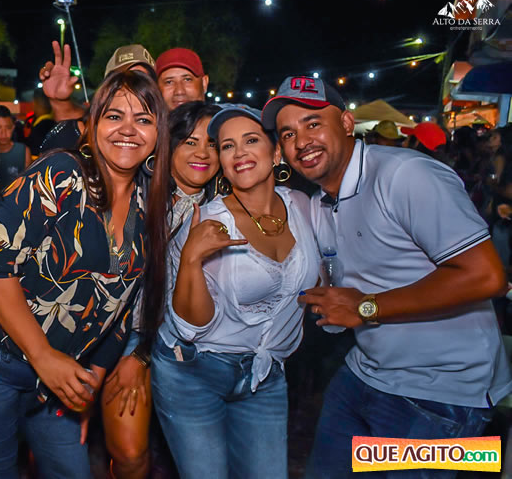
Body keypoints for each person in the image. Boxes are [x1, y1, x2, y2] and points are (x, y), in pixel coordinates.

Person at [261, 75, 512, 478]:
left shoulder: (405, 175)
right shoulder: (321, 204)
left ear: (346, 123)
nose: (301, 141)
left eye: (313, 123)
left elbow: (486, 276)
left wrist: (366, 307)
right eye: (288, 133)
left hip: (442, 395)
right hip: (366, 372)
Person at [0, 69, 170, 479]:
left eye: (143, 119)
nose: (127, 129)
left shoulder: (147, 205)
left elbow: (118, 310)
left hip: (61, 376)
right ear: (91, 125)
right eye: (114, 116)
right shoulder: (62, 173)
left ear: (158, 134)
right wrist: (42, 356)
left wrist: (88, 385)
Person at [152, 104, 319, 479]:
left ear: (275, 153)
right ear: (223, 164)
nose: (239, 152)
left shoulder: (303, 207)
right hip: (193, 371)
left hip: (266, 375)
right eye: (227, 146)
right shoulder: (206, 222)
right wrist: (191, 258)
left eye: (251, 140)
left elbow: (326, 268)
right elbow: (190, 327)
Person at [101, 101, 222, 479]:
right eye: (190, 142)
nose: (203, 153)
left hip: (186, 344)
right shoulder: (134, 195)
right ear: (168, 146)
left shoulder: (223, 210)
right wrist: (136, 353)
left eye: (213, 143)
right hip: (118, 332)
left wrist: (142, 356)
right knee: (130, 454)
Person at [38, 42, 157, 154]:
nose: (127, 131)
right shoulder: (77, 139)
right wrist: (60, 103)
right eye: (123, 80)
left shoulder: (164, 142)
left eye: (143, 82)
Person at [0, 105, 31, 189]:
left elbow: (28, 184)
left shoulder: (23, 152)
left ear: (13, 128)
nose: (3, 133)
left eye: (8, 128)